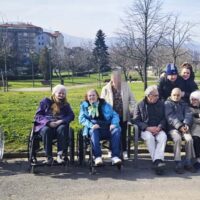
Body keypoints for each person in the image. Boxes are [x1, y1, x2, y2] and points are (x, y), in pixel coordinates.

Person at [79, 89, 122, 166]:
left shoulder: (105, 104)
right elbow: (81, 119)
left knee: (116, 130)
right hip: (94, 127)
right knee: (94, 131)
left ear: (97, 96)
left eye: (93, 95)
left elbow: (115, 115)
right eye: (90, 96)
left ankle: (115, 157)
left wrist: (113, 124)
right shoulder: (84, 106)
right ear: (87, 97)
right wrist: (91, 125)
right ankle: (97, 157)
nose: (92, 97)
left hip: (107, 127)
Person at [34, 84, 75, 164]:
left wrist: (61, 121)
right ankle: (48, 157)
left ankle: (60, 155)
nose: (61, 95)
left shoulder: (66, 105)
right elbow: (38, 115)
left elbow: (71, 115)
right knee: (46, 130)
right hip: (47, 125)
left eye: (63, 93)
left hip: (59, 126)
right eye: (59, 93)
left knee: (62, 128)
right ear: (54, 93)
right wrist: (48, 122)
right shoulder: (45, 101)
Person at [101, 69, 137, 158]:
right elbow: (101, 103)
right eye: (115, 77)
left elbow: (132, 100)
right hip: (111, 116)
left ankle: (124, 150)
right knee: (112, 132)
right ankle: (110, 149)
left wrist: (133, 110)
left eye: (118, 77)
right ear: (111, 77)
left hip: (122, 114)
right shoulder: (106, 88)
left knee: (123, 133)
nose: (117, 79)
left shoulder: (126, 86)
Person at [133, 85, 167, 175]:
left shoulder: (161, 104)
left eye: (158, 95)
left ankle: (157, 161)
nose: (157, 97)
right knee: (149, 138)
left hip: (158, 129)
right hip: (146, 130)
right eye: (155, 95)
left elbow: (164, 118)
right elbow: (136, 120)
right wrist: (147, 128)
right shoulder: (140, 105)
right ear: (149, 95)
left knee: (163, 137)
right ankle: (158, 161)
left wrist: (159, 127)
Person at [165, 88, 196, 174]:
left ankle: (188, 161)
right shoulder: (167, 104)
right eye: (174, 95)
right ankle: (178, 162)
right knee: (177, 139)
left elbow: (188, 115)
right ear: (171, 95)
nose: (176, 97)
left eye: (178, 95)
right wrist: (179, 126)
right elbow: (170, 117)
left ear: (181, 95)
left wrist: (186, 124)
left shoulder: (184, 104)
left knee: (189, 139)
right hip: (173, 128)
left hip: (184, 128)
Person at [189, 91, 200, 170]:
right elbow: (192, 120)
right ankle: (197, 160)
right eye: (192, 99)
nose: (193, 101)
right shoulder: (189, 108)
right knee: (196, 139)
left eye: (195, 99)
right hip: (194, 128)